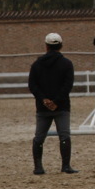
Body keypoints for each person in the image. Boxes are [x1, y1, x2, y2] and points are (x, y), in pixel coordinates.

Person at [28, 32, 77, 175]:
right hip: (61, 106)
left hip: (42, 107)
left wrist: (44, 99)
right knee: (64, 135)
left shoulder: (37, 64)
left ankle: (38, 167)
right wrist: (56, 101)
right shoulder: (67, 64)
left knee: (39, 137)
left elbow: (33, 85)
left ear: (46, 46)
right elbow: (67, 85)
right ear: (60, 46)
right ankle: (66, 166)